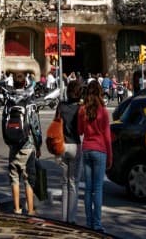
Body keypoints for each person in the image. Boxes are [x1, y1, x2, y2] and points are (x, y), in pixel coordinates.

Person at [78, 79, 112, 233]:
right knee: (97, 189)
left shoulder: (82, 110)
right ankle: (97, 224)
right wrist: (110, 156)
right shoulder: (103, 111)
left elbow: (79, 131)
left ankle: (89, 222)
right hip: (100, 150)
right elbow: (107, 136)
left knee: (88, 189)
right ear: (100, 92)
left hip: (86, 149)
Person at [7, 82, 36, 215]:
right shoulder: (28, 102)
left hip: (13, 146)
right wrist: (39, 144)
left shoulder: (9, 101)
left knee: (14, 179)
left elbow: (4, 123)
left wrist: (9, 142)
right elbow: (35, 125)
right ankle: (30, 210)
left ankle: (17, 209)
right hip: (28, 146)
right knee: (28, 179)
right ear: (25, 84)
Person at [57, 78, 83, 224]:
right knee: (73, 183)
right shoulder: (80, 108)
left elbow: (56, 123)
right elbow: (81, 129)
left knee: (64, 183)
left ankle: (63, 217)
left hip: (62, 144)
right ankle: (71, 219)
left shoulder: (61, 106)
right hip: (74, 145)